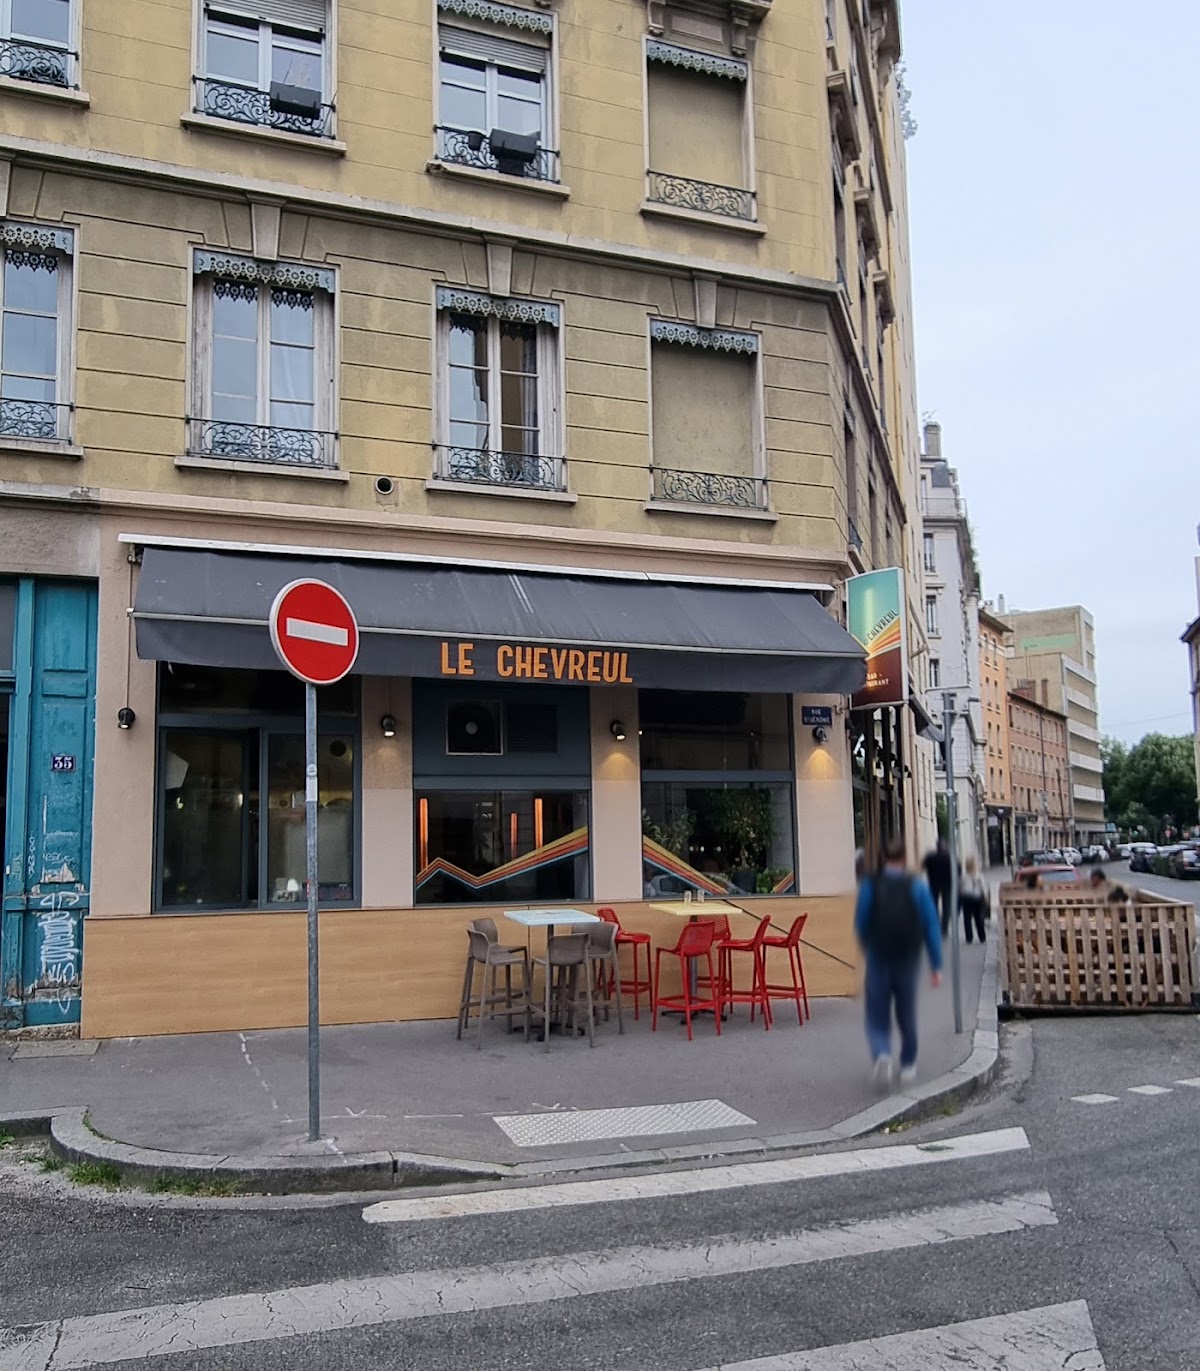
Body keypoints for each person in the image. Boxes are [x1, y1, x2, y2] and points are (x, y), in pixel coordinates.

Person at [855, 835, 944, 1087]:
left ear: (883, 858)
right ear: (904, 859)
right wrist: (936, 965)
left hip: (878, 956)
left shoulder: (870, 885)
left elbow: (861, 923)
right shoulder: (916, 887)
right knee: (906, 1011)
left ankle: (882, 1053)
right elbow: (931, 927)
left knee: (876, 1012)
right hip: (907, 957)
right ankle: (907, 1064)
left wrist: (867, 946)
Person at [923, 837, 953, 936]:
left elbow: (923, 866)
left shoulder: (931, 857)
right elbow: (958, 870)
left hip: (934, 884)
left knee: (934, 906)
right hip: (947, 885)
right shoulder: (949, 858)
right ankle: (944, 928)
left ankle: (935, 926)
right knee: (946, 907)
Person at [960, 855, 987, 944]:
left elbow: (961, 887)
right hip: (977, 898)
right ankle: (982, 937)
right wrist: (985, 897)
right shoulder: (978, 875)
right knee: (979, 918)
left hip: (967, 898)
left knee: (967, 919)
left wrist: (961, 894)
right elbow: (983, 888)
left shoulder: (964, 876)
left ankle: (969, 937)